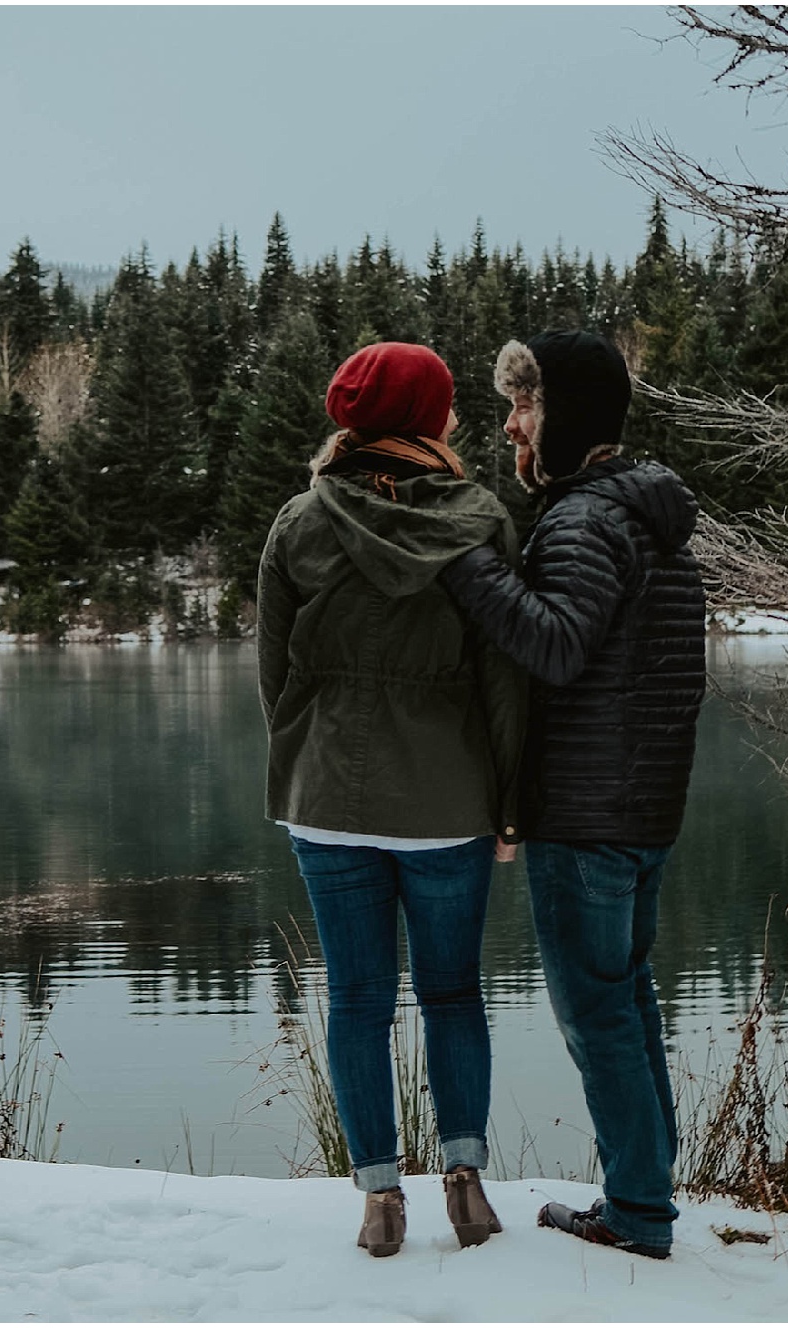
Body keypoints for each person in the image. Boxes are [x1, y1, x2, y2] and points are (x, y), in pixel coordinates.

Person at [438, 330, 706, 1260]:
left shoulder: (587, 520)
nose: (511, 425)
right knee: (626, 1001)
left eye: (527, 405)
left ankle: (637, 1211)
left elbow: (553, 643)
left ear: (569, 417)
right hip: (640, 808)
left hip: (588, 814)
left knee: (599, 1015)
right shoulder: (644, 514)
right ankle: (648, 1194)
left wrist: (465, 564)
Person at [257, 341, 525, 1258]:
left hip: (327, 794)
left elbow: (274, 674)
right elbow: (504, 678)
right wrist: (509, 801)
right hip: (447, 800)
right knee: (452, 992)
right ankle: (464, 1182)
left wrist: (303, 766)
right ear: (430, 417)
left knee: (359, 999)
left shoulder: (300, 520)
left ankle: (378, 1198)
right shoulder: (480, 519)